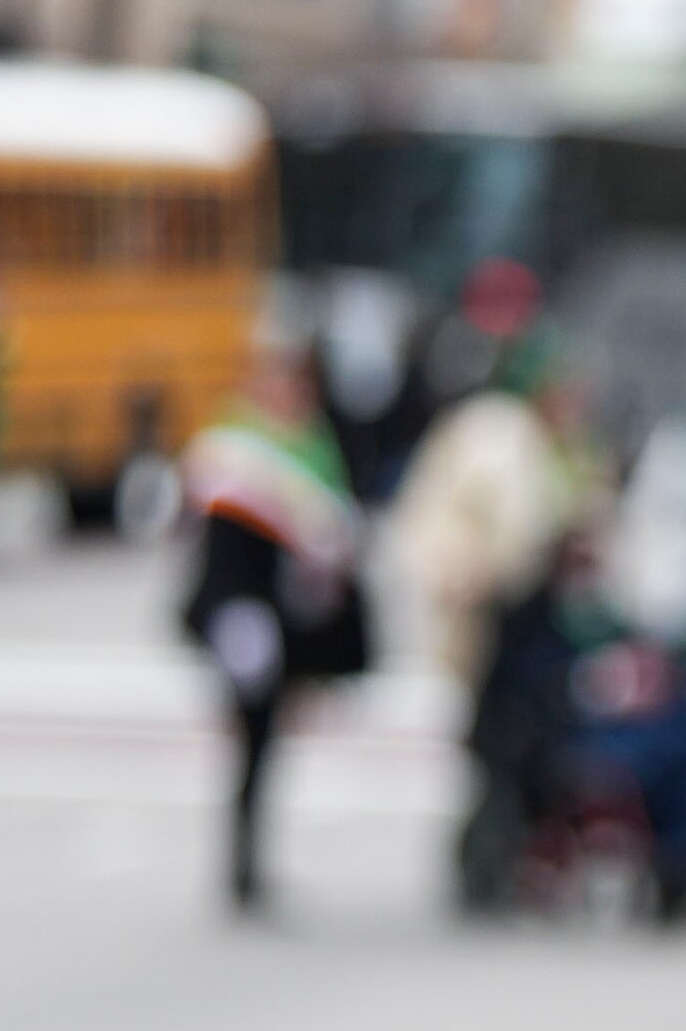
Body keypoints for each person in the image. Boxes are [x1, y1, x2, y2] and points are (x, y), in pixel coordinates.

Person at [383, 332, 591, 914]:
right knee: (501, 748)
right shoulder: (498, 432)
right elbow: (500, 527)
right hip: (500, 617)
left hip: (528, 618)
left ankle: (509, 861)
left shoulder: (551, 439)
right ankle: (486, 867)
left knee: (519, 748)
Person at [177, 329, 369, 915]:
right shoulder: (233, 445)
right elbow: (212, 544)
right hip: (245, 616)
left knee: (270, 745)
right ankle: (242, 867)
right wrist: (227, 614)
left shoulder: (313, 446)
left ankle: (252, 862)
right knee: (251, 743)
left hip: (294, 621)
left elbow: (335, 535)